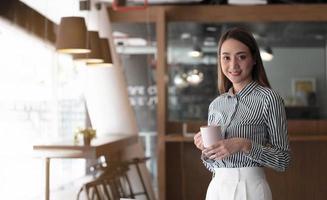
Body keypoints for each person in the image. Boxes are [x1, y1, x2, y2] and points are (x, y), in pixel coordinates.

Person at [193, 27, 291, 200]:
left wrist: (245, 145)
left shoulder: (269, 99)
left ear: (254, 59)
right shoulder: (216, 104)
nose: (233, 65)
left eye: (241, 56)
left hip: (250, 188)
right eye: (226, 58)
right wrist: (206, 151)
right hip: (216, 188)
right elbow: (213, 165)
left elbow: (283, 160)